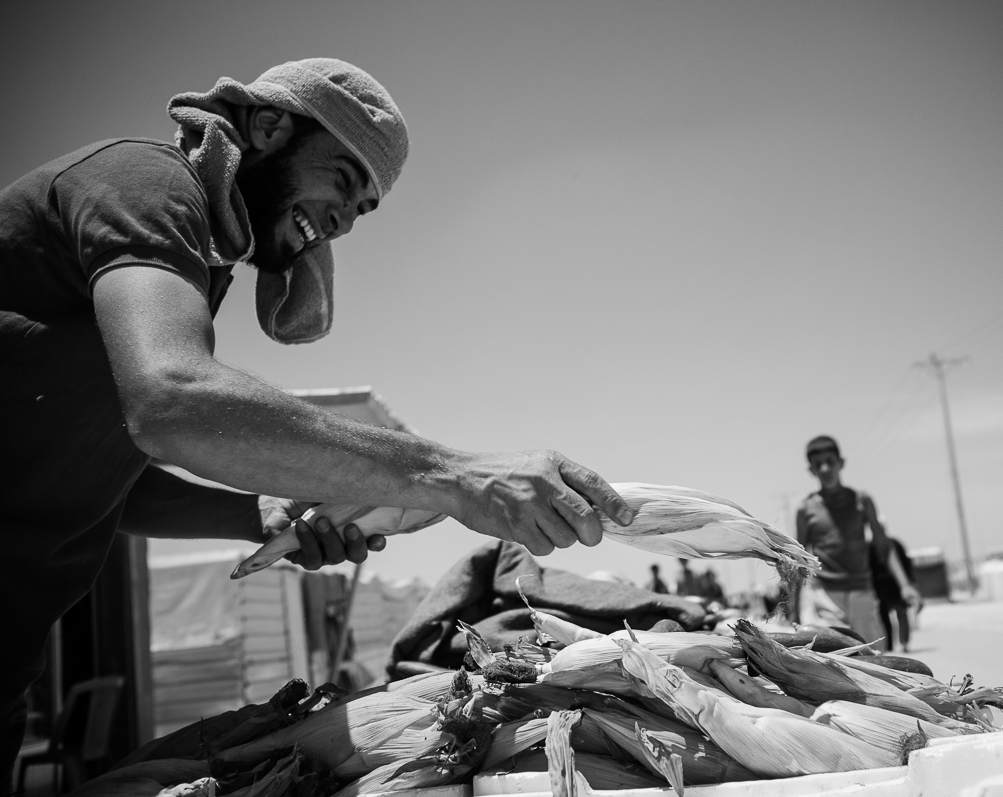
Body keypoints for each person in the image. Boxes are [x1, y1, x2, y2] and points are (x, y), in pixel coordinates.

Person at [0, 58, 635, 790]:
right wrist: (456, 476)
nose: (343, 217)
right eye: (341, 176)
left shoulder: (198, 266)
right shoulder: (151, 185)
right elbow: (172, 401)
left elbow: (103, 484)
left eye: (361, 208)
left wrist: (257, 512)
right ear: (268, 127)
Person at [792, 435, 920, 644]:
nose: (825, 469)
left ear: (841, 463)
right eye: (818, 465)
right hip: (827, 595)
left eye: (830, 462)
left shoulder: (861, 500)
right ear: (811, 470)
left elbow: (884, 548)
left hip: (862, 592)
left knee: (872, 655)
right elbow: (799, 560)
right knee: (835, 657)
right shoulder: (806, 509)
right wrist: (794, 608)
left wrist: (905, 584)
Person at [870, 536, 921, 652]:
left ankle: (904, 643)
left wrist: (908, 584)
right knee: (884, 617)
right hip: (881, 587)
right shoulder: (871, 547)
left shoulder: (894, 544)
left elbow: (906, 563)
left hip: (896, 586)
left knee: (901, 614)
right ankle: (889, 646)